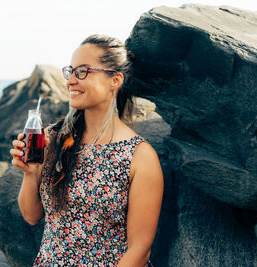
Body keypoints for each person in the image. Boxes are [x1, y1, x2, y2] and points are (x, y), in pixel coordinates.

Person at [10, 34, 164, 267]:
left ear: (115, 80)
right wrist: (31, 173)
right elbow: (32, 216)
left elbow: (140, 249)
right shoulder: (53, 138)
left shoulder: (140, 156)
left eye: (82, 71)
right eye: (70, 71)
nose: (71, 80)